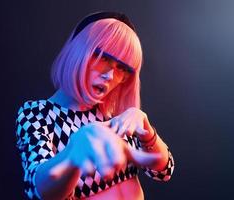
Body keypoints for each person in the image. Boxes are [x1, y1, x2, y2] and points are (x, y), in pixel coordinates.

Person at [15, 11, 174, 200]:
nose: (110, 75)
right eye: (103, 57)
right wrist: (72, 155)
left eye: (122, 68)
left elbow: (163, 171)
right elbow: (36, 190)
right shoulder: (38, 114)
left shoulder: (115, 113)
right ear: (79, 50)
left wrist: (147, 132)